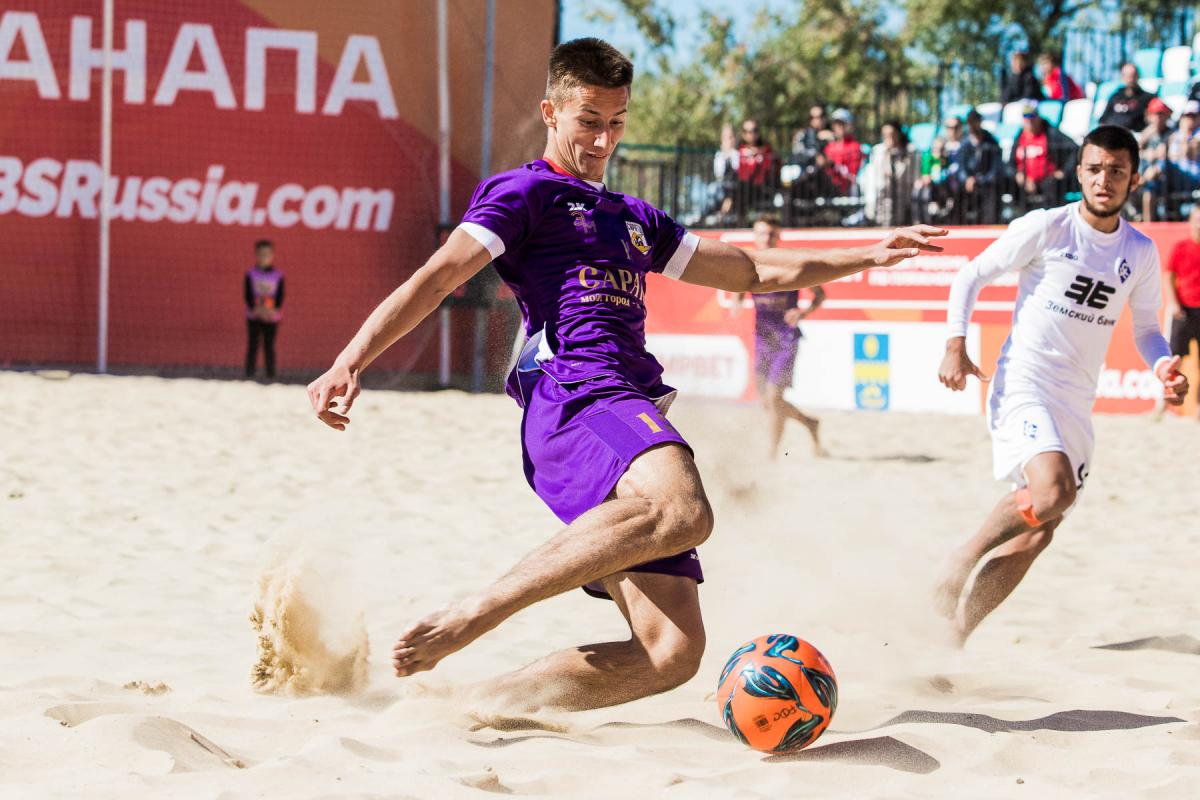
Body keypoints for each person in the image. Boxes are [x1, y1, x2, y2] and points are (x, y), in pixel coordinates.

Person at [305, 37, 947, 712]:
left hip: (625, 401)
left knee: (671, 654)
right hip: (578, 394)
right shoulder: (525, 193)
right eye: (588, 121)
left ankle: (467, 705)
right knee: (685, 509)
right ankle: (478, 611)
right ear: (550, 112)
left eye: (616, 122)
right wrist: (351, 360)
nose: (603, 139)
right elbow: (439, 277)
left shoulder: (636, 219)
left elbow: (753, 270)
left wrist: (868, 254)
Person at [934, 125, 1189, 646]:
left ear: (1134, 180)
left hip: (1076, 403)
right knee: (1053, 491)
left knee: (1038, 532)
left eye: (1116, 171)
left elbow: (1146, 330)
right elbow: (971, 275)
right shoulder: (1048, 226)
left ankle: (953, 638)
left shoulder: (1139, 251)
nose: (1104, 180)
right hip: (1025, 383)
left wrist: (1163, 365)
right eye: (1094, 169)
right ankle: (958, 561)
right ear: (1079, 173)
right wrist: (954, 344)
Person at [734, 215, 826, 459]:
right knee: (767, 402)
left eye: (771, 234)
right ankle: (809, 422)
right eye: (762, 233)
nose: (767, 238)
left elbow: (820, 294)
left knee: (775, 398)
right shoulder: (748, 265)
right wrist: (736, 301)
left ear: (778, 236)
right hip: (762, 339)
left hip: (786, 339)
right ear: (755, 236)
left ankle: (772, 455)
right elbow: (737, 288)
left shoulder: (789, 264)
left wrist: (803, 312)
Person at [1167, 205, 1200, 417]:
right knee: (1173, 359)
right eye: (1197, 220)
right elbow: (1169, 276)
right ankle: (1166, 405)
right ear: (1190, 222)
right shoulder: (1181, 247)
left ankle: (1198, 407)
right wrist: (1174, 303)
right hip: (1184, 310)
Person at [1011, 104, 1075, 210]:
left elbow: (1074, 149)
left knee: (1052, 185)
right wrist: (1018, 174)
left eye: (1032, 117)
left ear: (1038, 117)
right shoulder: (1020, 136)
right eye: (1026, 118)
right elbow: (1010, 163)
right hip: (1026, 181)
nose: (1029, 121)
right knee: (1007, 183)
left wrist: (1064, 171)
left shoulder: (1051, 133)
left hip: (1048, 180)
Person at [244, 239, 284, 380]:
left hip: (271, 317)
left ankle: (270, 374)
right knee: (253, 344)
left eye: (267, 254)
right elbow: (247, 294)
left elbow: (280, 296)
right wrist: (256, 309)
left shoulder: (278, 275)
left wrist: (272, 310)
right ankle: (249, 373)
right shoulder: (250, 274)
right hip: (253, 316)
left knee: (269, 345)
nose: (264, 257)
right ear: (256, 255)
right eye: (261, 254)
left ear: (272, 255)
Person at [955, 109, 1003, 224]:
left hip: (987, 183)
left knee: (992, 192)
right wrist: (967, 179)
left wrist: (980, 180)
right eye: (969, 122)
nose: (972, 125)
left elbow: (996, 169)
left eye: (974, 121)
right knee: (957, 191)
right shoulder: (964, 143)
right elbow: (961, 167)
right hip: (968, 184)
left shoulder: (991, 142)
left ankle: (990, 225)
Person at [865, 120, 915, 227]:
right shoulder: (877, 150)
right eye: (885, 135)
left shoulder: (908, 151)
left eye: (892, 134)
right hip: (882, 195)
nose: (889, 138)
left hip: (901, 196)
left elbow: (905, 176)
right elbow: (875, 174)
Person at [1137, 97, 1174, 221]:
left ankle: (1148, 226)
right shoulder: (1148, 133)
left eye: (1161, 114)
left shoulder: (1171, 133)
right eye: (1155, 114)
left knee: (1149, 191)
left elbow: (1163, 155)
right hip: (1144, 173)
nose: (1158, 118)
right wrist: (1147, 135)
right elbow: (1136, 150)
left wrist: (1149, 154)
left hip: (1165, 176)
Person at [735, 118, 777, 224]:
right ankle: (740, 223)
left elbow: (771, 169)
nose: (751, 134)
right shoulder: (738, 151)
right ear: (743, 134)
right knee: (739, 188)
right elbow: (739, 172)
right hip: (744, 189)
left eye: (754, 130)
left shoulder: (767, 150)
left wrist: (760, 155)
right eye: (747, 131)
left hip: (763, 188)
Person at [1098, 63, 1156, 133]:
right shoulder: (1115, 96)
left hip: (1134, 135)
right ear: (1122, 77)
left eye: (1133, 75)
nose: (1130, 79)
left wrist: (1142, 137)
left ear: (1138, 76)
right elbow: (1103, 120)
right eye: (1127, 76)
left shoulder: (1148, 98)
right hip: (1112, 134)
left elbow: (1157, 121)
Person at [824, 108, 864, 197]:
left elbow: (853, 175)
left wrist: (834, 166)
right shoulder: (829, 147)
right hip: (829, 193)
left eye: (843, 123)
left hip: (847, 193)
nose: (839, 127)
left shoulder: (855, 147)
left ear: (849, 125)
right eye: (836, 124)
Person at [711, 122, 739, 222]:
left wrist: (732, 154)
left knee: (730, 193)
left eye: (731, 137)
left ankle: (721, 216)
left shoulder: (738, 154)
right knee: (712, 190)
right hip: (722, 185)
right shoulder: (719, 155)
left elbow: (737, 168)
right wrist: (725, 156)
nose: (729, 140)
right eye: (726, 137)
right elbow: (718, 173)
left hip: (735, 186)